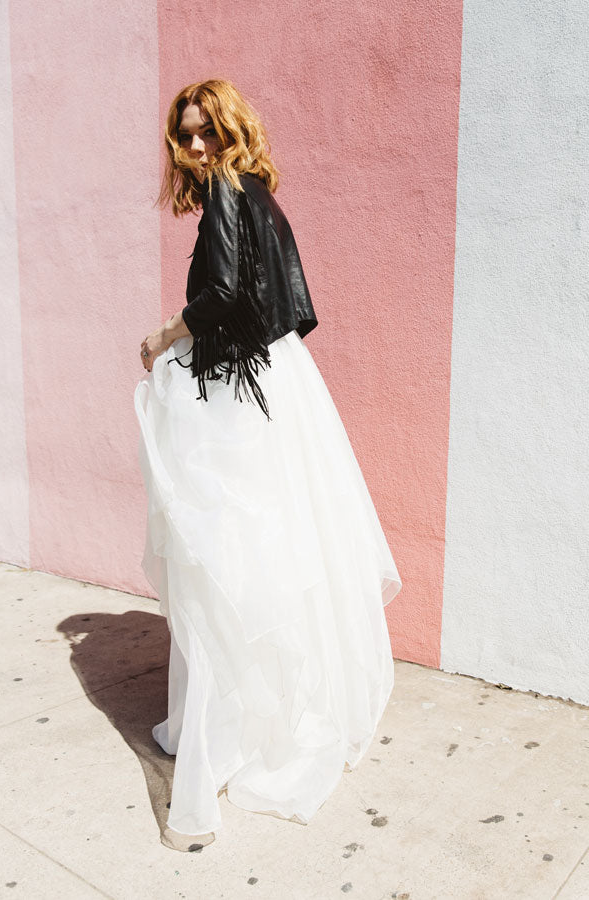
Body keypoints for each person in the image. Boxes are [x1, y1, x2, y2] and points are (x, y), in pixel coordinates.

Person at [134, 79, 402, 853]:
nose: (196, 146)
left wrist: (163, 335)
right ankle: (265, 717)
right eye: (186, 134)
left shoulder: (226, 189)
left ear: (230, 132)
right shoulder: (259, 195)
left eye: (207, 131)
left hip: (240, 392)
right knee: (273, 553)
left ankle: (235, 732)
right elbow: (290, 306)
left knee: (226, 559)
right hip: (278, 382)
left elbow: (221, 294)